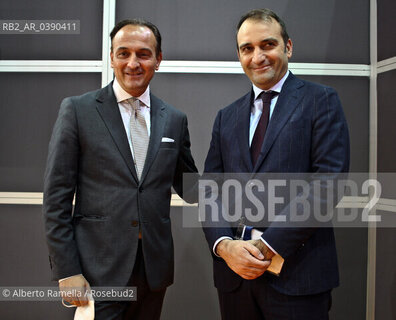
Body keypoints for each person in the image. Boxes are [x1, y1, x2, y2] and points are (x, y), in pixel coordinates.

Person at [43, 18, 198, 320]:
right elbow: (55, 199)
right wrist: (67, 270)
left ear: (158, 60)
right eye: (123, 53)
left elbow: (191, 188)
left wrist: (244, 184)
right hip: (96, 271)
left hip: (153, 271)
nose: (133, 63)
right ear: (111, 57)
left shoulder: (174, 119)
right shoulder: (77, 110)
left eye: (143, 54)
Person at [202, 8, 350, 320]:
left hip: (299, 277)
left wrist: (265, 248)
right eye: (247, 48)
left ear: (288, 47)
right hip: (235, 279)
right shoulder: (226, 117)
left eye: (267, 44)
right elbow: (210, 191)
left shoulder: (320, 100)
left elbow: (328, 185)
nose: (258, 57)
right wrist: (224, 246)